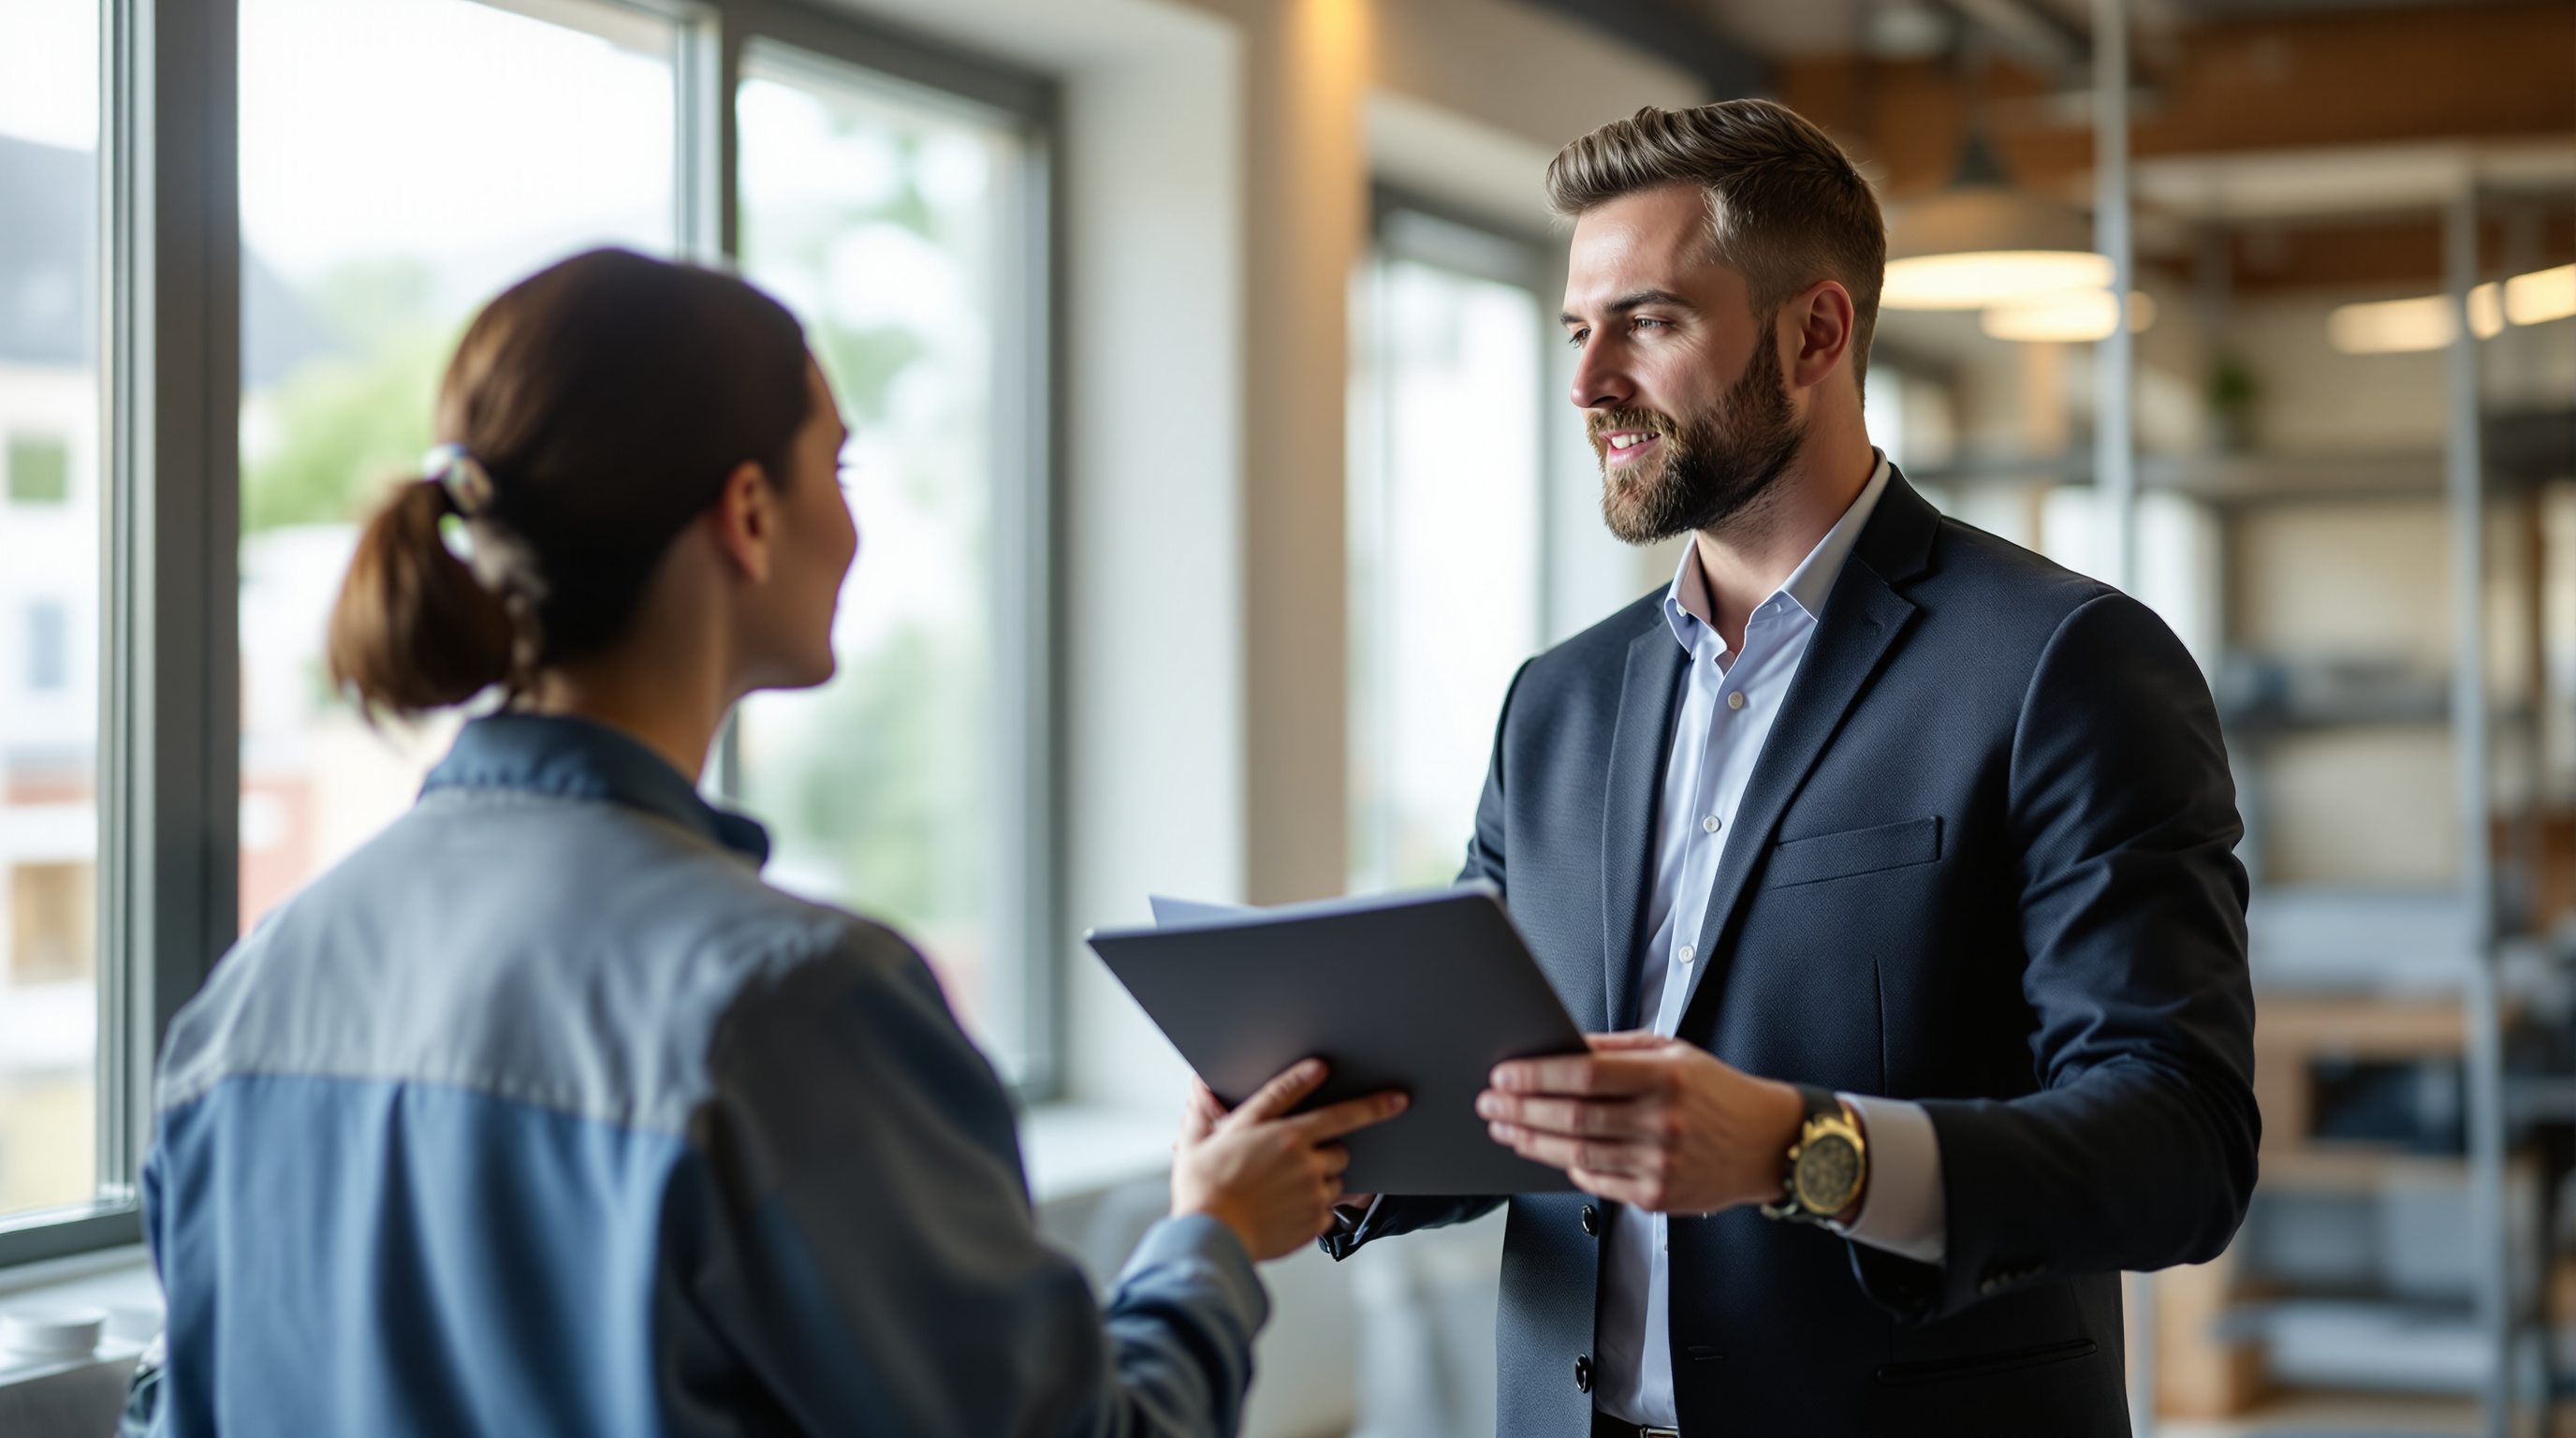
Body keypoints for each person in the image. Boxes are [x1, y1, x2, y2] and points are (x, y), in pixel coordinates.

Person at [132, 248, 1404, 1436]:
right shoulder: (795, 1009)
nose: (852, 528)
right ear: (747, 514)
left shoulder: (245, 1001)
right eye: (837, 472)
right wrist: (1211, 1238)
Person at [1318, 102, 2258, 1435]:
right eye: (1577, 332)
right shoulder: (1557, 705)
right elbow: (1504, 1080)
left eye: (1648, 322)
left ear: (1815, 334)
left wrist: (1797, 1151)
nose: (1589, 385)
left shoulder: (2067, 663)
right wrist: (1341, 1137)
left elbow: (2181, 1146)